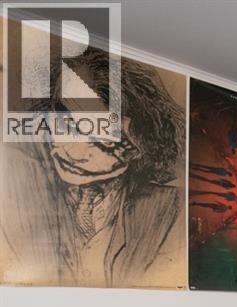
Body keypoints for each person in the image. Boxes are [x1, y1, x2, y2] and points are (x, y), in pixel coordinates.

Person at [0, 50, 185, 287]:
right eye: (63, 123)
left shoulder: (171, 208)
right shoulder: (15, 189)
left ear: (142, 142)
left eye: (102, 138)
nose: (72, 152)